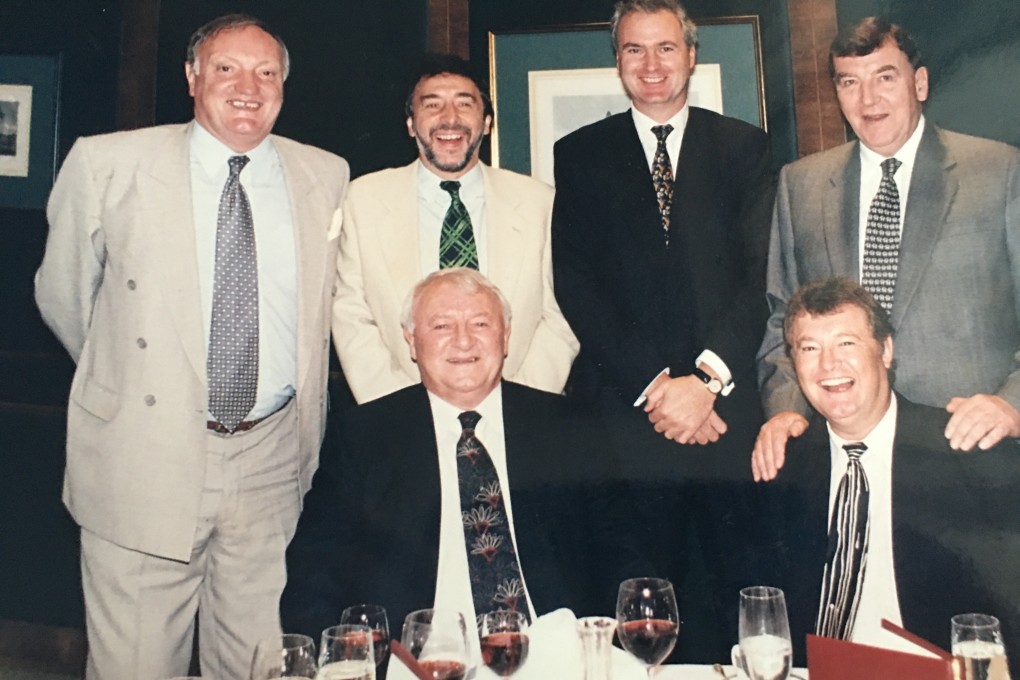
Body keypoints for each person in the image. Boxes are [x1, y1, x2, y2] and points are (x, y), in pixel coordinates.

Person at [34, 14, 349, 680]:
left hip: (271, 462)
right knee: (137, 666)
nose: (247, 87)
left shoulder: (325, 175)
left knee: (263, 665)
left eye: (267, 73)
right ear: (191, 77)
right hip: (143, 458)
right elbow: (64, 299)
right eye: (227, 68)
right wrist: (137, 378)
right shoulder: (109, 163)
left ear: (284, 87)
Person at [551, 0, 776, 659]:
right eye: (634, 50)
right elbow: (577, 287)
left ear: (692, 55)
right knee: (634, 621)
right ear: (616, 60)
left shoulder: (744, 147)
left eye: (666, 48)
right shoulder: (580, 154)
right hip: (627, 426)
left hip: (727, 422)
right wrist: (659, 387)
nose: (651, 66)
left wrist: (705, 382)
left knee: (732, 609)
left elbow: (761, 276)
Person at [281, 269, 617, 673]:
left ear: (505, 336)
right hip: (419, 665)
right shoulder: (365, 438)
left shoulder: (566, 428)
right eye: (441, 325)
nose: (463, 340)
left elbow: (621, 552)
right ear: (411, 341)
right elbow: (312, 573)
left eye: (480, 323)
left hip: (550, 658)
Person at [754, 16, 1020, 482]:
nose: (867, 99)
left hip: (969, 450)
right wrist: (785, 408)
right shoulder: (801, 184)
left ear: (919, 83)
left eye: (884, 77)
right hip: (845, 455)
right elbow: (782, 319)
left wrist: (1013, 402)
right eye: (849, 82)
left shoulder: (1000, 172)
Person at [767, 277, 1020, 662]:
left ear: (885, 350)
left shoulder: (963, 452)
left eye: (846, 343)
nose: (828, 364)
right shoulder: (788, 463)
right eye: (809, 348)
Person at [332, 53, 578, 404]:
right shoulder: (363, 200)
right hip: (398, 412)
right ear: (410, 124)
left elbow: (560, 314)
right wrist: (400, 408)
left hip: (520, 408)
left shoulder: (541, 203)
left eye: (465, 104)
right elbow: (350, 314)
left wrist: (519, 402)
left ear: (487, 122)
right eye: (432, 105)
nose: (450, 119)